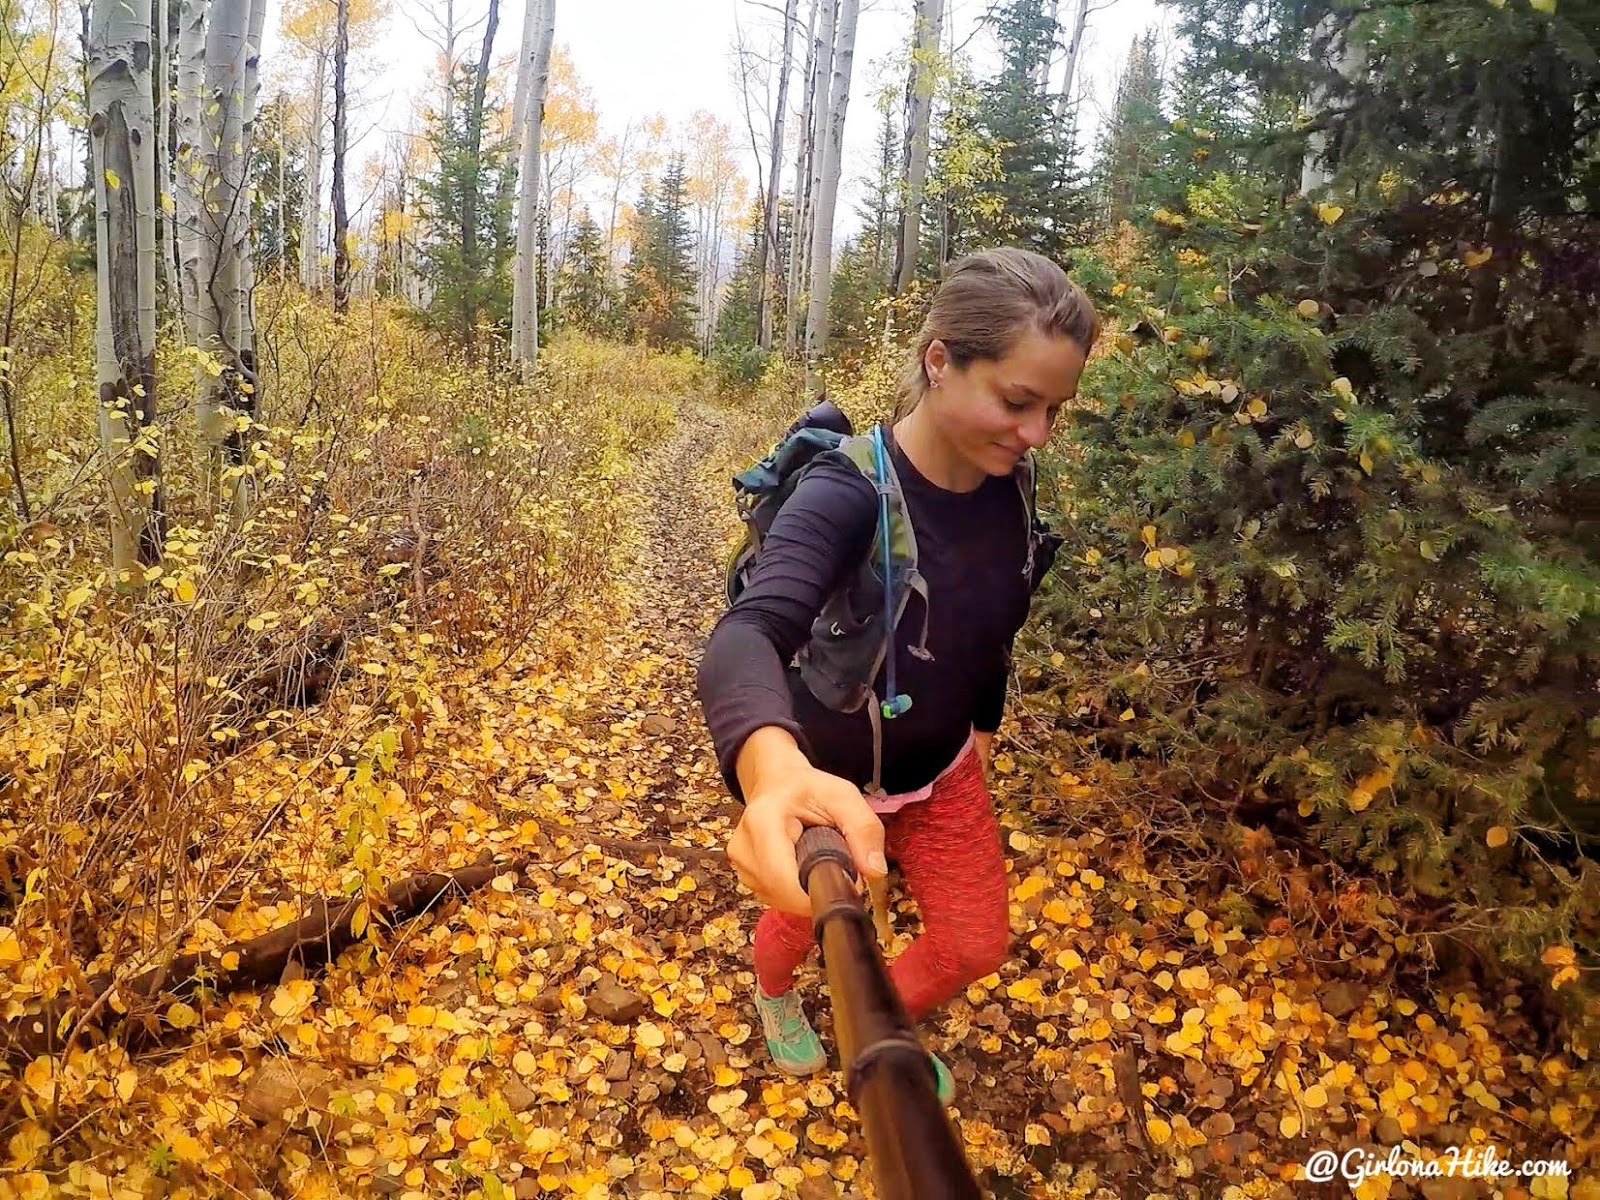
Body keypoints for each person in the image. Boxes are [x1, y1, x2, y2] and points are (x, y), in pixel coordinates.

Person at [696, 246, 1099, 1104]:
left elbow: (996, 624)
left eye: (1054, 411)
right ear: (940, 362)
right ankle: (775, 996)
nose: (1037, 435)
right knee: (800, 920)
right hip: (824, 781)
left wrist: (981, 725)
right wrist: (773, 777)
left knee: (973, 942)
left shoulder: (1012, 488)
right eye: (1018, 402)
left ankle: (867, 1025)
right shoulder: (846, 496)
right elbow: (747, 634)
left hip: (943, 772)